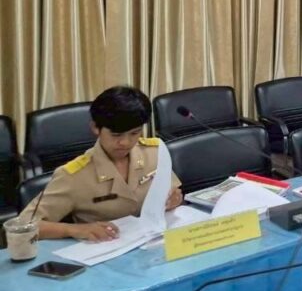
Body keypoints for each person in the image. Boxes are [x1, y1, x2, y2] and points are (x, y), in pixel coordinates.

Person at [18, 86, 182, 241]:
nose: (125, 142)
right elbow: (23, 226)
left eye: (135, 133)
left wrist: (175, 199)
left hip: (155, 242)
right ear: (96, 128)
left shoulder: (154, 152)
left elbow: (173, 192)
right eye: (116, 135)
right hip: (105, 249)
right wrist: (75, 230)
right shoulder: (73, 176)